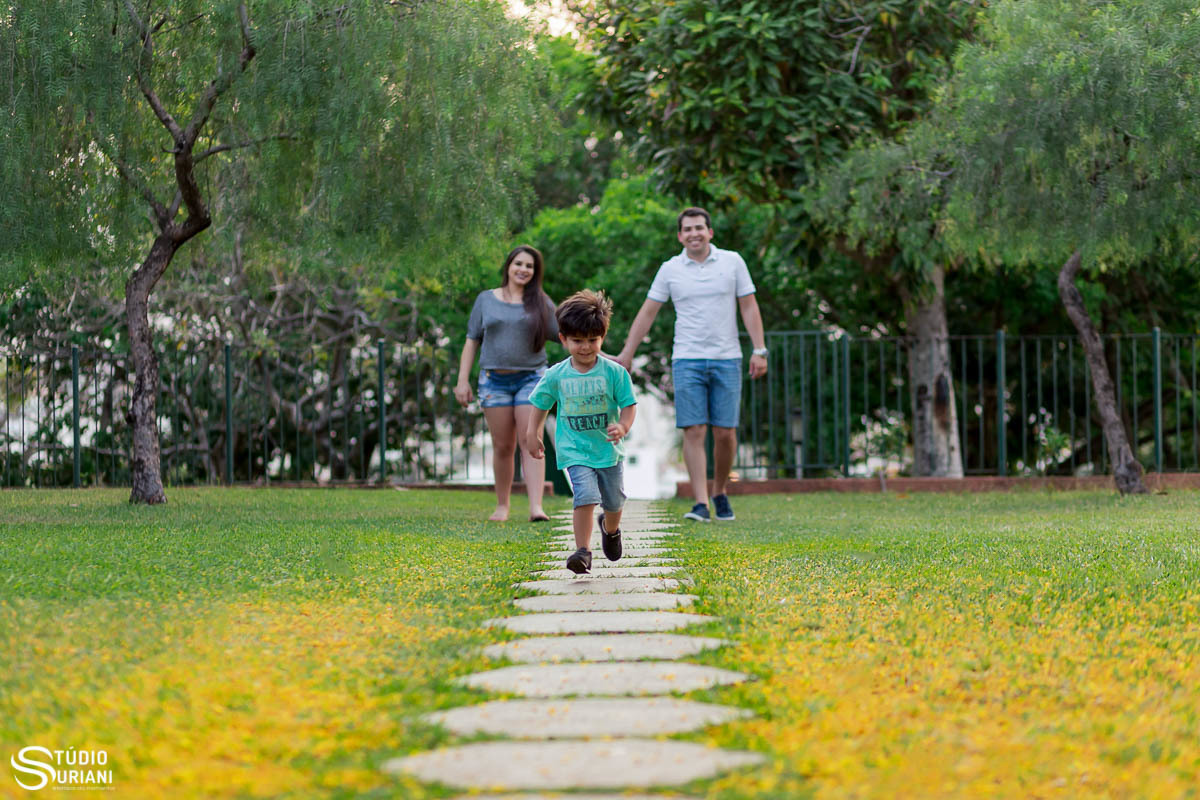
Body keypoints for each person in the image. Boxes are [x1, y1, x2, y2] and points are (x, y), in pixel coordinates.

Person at [615, 207, 767, 523]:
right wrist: (627, 352)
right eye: (687, 229)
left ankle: (720, 491)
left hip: (727, 358)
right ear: (680, 236)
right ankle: (700, 503)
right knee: (694, 429)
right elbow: (648, 312)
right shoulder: (670, 269)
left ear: (710, 232)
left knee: (725, 433)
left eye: (699, 227)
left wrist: (759, 350)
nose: (694, 233)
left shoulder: (732, 262)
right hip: (687, 359)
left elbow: (749, 307)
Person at [527, 290, 637, 574]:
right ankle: (583, 551)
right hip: (574, 449)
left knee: (614, 501)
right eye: (577, 341)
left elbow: (628, 405)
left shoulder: (614, 373)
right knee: (585, 496)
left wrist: (623, 426)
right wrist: (532, 432)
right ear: (563, 339)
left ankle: (610, 530)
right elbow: (540, 404)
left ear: (603, 338)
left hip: (608, 450)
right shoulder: (556, 375)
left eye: (593, 340)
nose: (585, 347)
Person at [455, 245, 558, 522]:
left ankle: (536, 507)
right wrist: (462, 380)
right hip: (494, 381)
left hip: (531, 378)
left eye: (530, 266)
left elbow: (567, 334)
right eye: (519, 264)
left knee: (530, 440)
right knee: (503, 446)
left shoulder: (541, 303)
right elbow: (471, 340)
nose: (523, 270)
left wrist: (600, 350)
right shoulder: (486, 300)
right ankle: (503, 506)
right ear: (508, 266)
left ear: (535, 272)